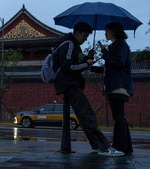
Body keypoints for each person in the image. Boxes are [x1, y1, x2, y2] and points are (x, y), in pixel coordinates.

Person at [54, 22, 124, 156]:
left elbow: (78, 63)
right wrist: (86, 63)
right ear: (77, 33)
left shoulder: (74, 45)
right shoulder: (69, 44)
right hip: (70, 84)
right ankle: (104, 147)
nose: (85, 39)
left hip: (68, 83)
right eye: (84, 36)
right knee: (87, 114)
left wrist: (88, 58)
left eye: (87, 37)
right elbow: (68, 66)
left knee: (84, 115)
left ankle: (96, 145)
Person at [99, 22, 133, 155]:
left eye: (106, 31)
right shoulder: (115, 45)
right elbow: (112, 66)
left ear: (113, 31)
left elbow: (119, 63)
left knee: (118, 117)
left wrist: (105, 52)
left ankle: (118, 147)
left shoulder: (121, 44)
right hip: (115, 85)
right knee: (120, 118)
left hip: (118, 86)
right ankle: (126, 148)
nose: (105, 33)